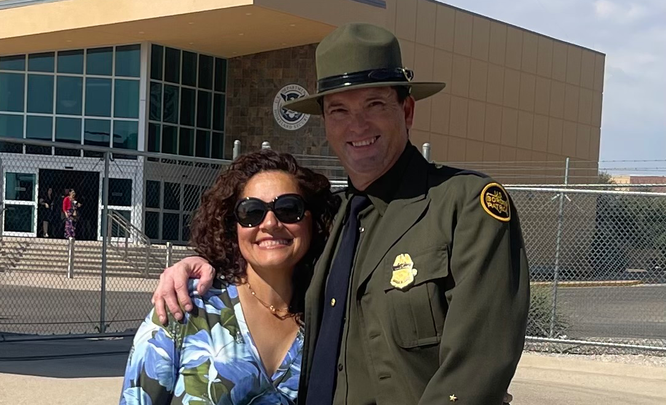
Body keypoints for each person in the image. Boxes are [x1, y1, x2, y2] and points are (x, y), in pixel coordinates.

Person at [152, 23, 530, 405]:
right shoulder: (330, 221)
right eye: (339, 110)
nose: (357, 124)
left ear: (407, 110)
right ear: (326, 123)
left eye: (374, 104)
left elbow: (477, 367)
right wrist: (203, 263)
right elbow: (268, 251)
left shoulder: (463, 207)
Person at [120, 150, 338, 404]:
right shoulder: (186, 309)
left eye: (289, 209)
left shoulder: (331, 321)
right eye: (252, 211)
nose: (270, 223)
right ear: (232, 226)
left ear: (314, 221)